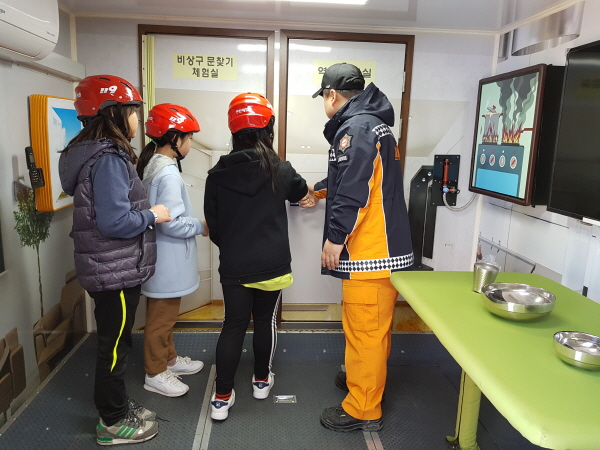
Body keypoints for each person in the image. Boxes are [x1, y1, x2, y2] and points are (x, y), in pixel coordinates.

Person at [59, 74, 171, 445]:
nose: (138, 119)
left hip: (109, 267)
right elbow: (114, 222)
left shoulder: (94, 153)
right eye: (133, 111)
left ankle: (117, 404)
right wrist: (153, 214)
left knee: (115, 340)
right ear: (113, 112)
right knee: (115, 345)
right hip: (114, 270)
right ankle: (112, 421)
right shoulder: (108, 159)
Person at [301, 63, 414, 432]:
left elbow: (354, 190)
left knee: (366, 330)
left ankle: (363, 407)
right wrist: (317, 191)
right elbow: (352, 176)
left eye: (323, 97)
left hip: (370, 251)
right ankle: (360, 378)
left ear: (332, 95)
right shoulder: (372, 124)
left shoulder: (357, 128)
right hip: (381, 250)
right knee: (370, 328)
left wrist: (335, 238)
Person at [204, 93, 308, 421]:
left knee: (233, 325)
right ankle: (261, 380)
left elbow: (215, 227)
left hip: (235, 264)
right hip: (272, 264)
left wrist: (234, 248)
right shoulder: (279, 169)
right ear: (268, 130)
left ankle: (221, 397)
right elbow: (302, 191)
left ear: (233, 131)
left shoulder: (216, 175)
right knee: (264, 321)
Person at [136, 103, 208, 397]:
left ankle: (169, 360)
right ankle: (155, 373)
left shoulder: (154, 165)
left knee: (165, 315)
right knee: (161, 318)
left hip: (161, 258)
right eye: (189, 138)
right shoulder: (168, 174)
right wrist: (201, 225)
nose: (190, 143)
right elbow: (171, 223)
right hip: (167, 260)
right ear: (175, 139)